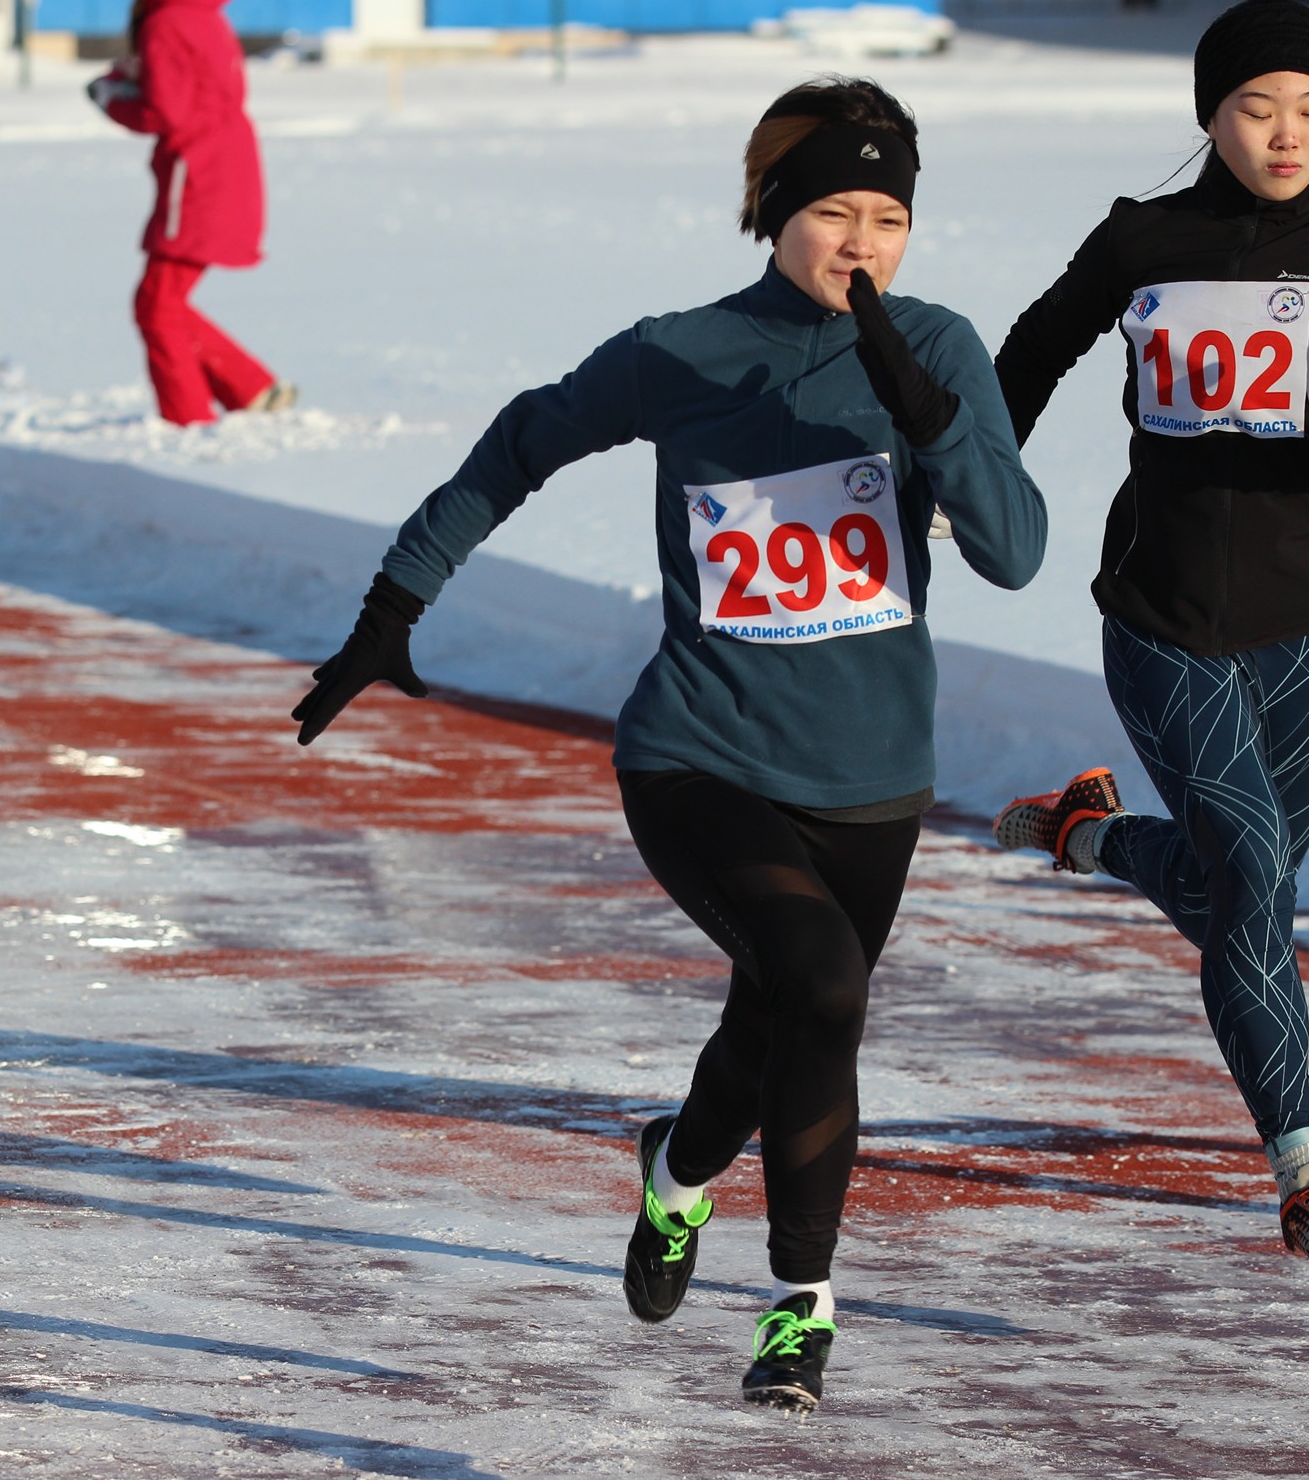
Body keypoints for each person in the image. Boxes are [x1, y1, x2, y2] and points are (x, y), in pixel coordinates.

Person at [292, 78, 1046, 1413]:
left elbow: (1015, 549)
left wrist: (923, 410)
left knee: (780, 1018)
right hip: (698, 750)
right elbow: (522, 441)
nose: (861, 239)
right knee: (818, 979)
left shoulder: (938, 347)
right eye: (831, 208)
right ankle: (802, 1306)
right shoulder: (685, 350)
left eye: (889, 214)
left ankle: (675, 1174)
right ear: (770, 210)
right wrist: (392, 603)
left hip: (872, 772)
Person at [992, 0, 1309, 1256]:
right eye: (1256, 107)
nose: (1286, 133)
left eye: (1307, 109)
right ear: (1209, 117)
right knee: (1250, 880)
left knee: (1244, 880)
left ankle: (1092, 836)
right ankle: (1298, 1156)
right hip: (1164, 611)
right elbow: (1030, 349)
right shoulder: (1143, 240)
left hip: (1305, 633)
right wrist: (981, 480)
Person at [88, 0, 293, 426]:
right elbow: (193, 89)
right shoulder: (198, 10)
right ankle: (252, 388)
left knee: (157, 305)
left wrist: (111, 98)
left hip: (199, 171)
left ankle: (188, 420)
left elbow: (165, 110)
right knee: (162, 301)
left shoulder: (166, 19)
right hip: (219, 161)